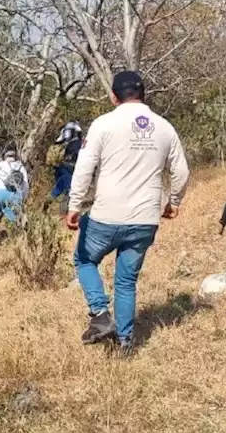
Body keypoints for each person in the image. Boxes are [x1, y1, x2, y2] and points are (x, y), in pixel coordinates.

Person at [67, 71, 189, 354]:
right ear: (144, 94)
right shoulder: (164, 127)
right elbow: (181, 171)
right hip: (145, 218)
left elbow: (84, 168)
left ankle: (100, 314)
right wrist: (174, 202)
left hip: (107, 215)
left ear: (113, 96)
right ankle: (125, 342)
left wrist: (74, 206)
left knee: (84, 260)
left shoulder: (103, 124)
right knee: (126, 280)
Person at [0, 149, 30, 225]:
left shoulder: (0, 165)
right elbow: (25, 185)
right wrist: (24, 198)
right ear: (15, 157)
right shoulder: (21, 167)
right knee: (13, 216)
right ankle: (13, 226)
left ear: (5, 156)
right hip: (15, 195)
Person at [49, 121, 82, 206]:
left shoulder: (76, 143)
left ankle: (54, 198)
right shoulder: (73, 143)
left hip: (71, 169)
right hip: (69, 168)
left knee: (65, 182)